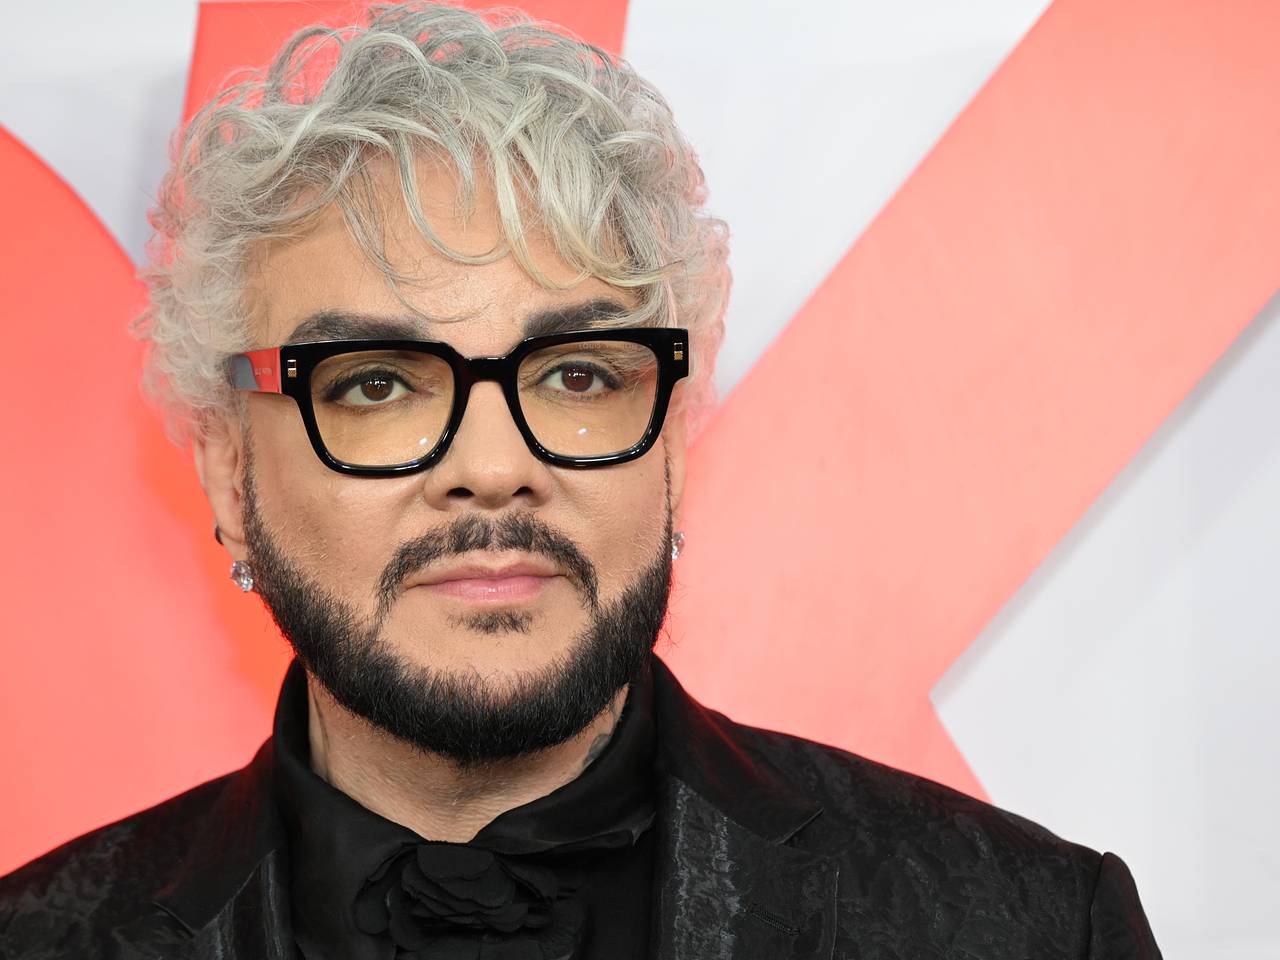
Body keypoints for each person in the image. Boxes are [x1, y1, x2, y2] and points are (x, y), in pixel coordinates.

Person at [0, 4, 1162, 958]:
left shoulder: (1026, 927)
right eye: (374, 385)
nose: (492, 468)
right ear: (227, 470)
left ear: (671, 443)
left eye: (576, 375)